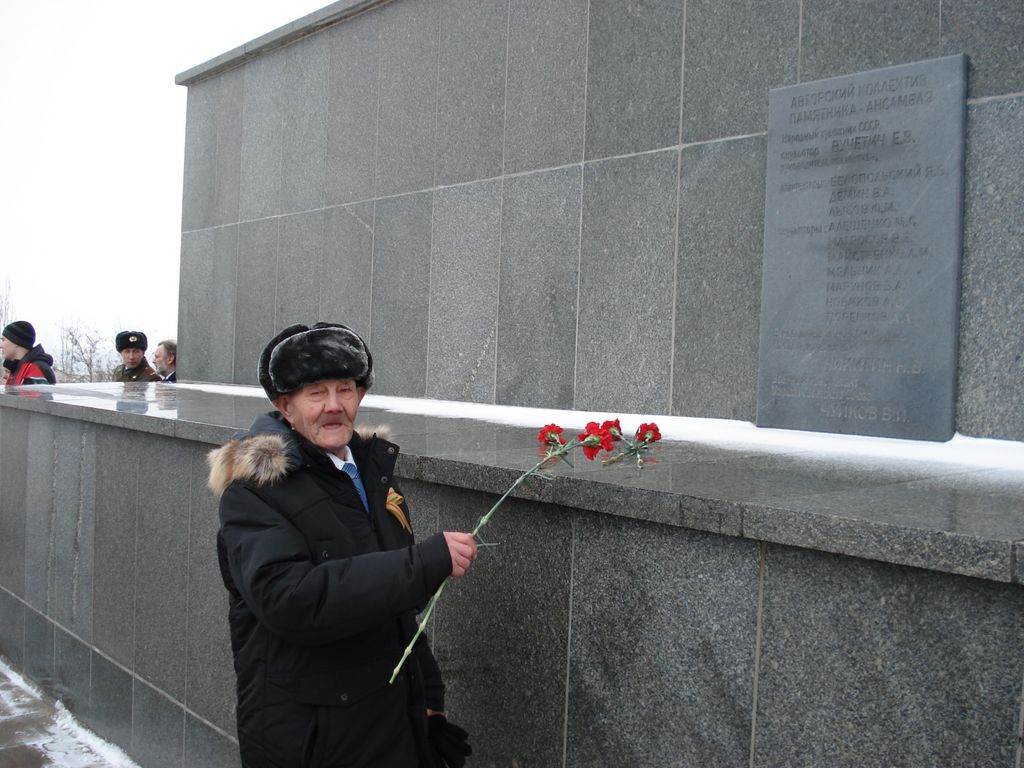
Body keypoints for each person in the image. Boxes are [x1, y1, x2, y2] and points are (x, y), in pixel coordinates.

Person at [208, 322, 475, 768]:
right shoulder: (255, 490)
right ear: (284, 406)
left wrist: (426, 698)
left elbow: (395, 610)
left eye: (345, 389)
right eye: (315, 392)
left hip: (386, 723)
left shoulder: (370, 471)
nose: (334, 406)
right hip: (312, 738)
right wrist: (422, 564)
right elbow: (291, 599)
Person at [1, 321, 57, 385]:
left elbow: (35, 394)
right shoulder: (18, 368)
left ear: (16, 342)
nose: (0, 345)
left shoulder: (35, 369)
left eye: (3, 340)